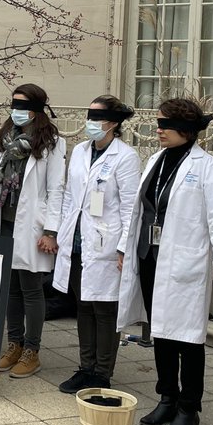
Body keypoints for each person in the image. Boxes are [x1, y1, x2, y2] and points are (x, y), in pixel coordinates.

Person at [117, 98, 213, 425]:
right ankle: (167, 398)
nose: (158, 130)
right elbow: (139, 211)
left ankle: (189, 408)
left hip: (185, 263)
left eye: (164, 125)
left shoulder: (207, 166)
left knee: (188, 340)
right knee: (161, 333)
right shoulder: (155, 160)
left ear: (185, 129)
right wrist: (126, 248)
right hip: (150, 258)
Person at [53, 95, 142, 393]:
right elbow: (69, 196)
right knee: (83, 305)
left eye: (97, 117)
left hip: (106, 242)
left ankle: (102, 372)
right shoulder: (79, 151)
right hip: (78, 241)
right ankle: (85, 366)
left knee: (104, 309)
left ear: (114, 123)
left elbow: (131, 207)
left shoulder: (125, 157)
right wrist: (60, 234)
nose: (90, 122)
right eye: (89, 115)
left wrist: (123, 248)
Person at [0, 84, 67, 379]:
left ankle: (31, 351)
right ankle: (14, 343)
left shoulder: (50, 141)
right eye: (14, 104)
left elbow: (56, 188)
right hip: (6, 219)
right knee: (10, 287)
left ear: (36, 109)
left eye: (22, 105)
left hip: (33, 224)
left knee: (31, 288)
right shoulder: (6, 137)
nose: (16, 110)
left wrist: (51, 230)